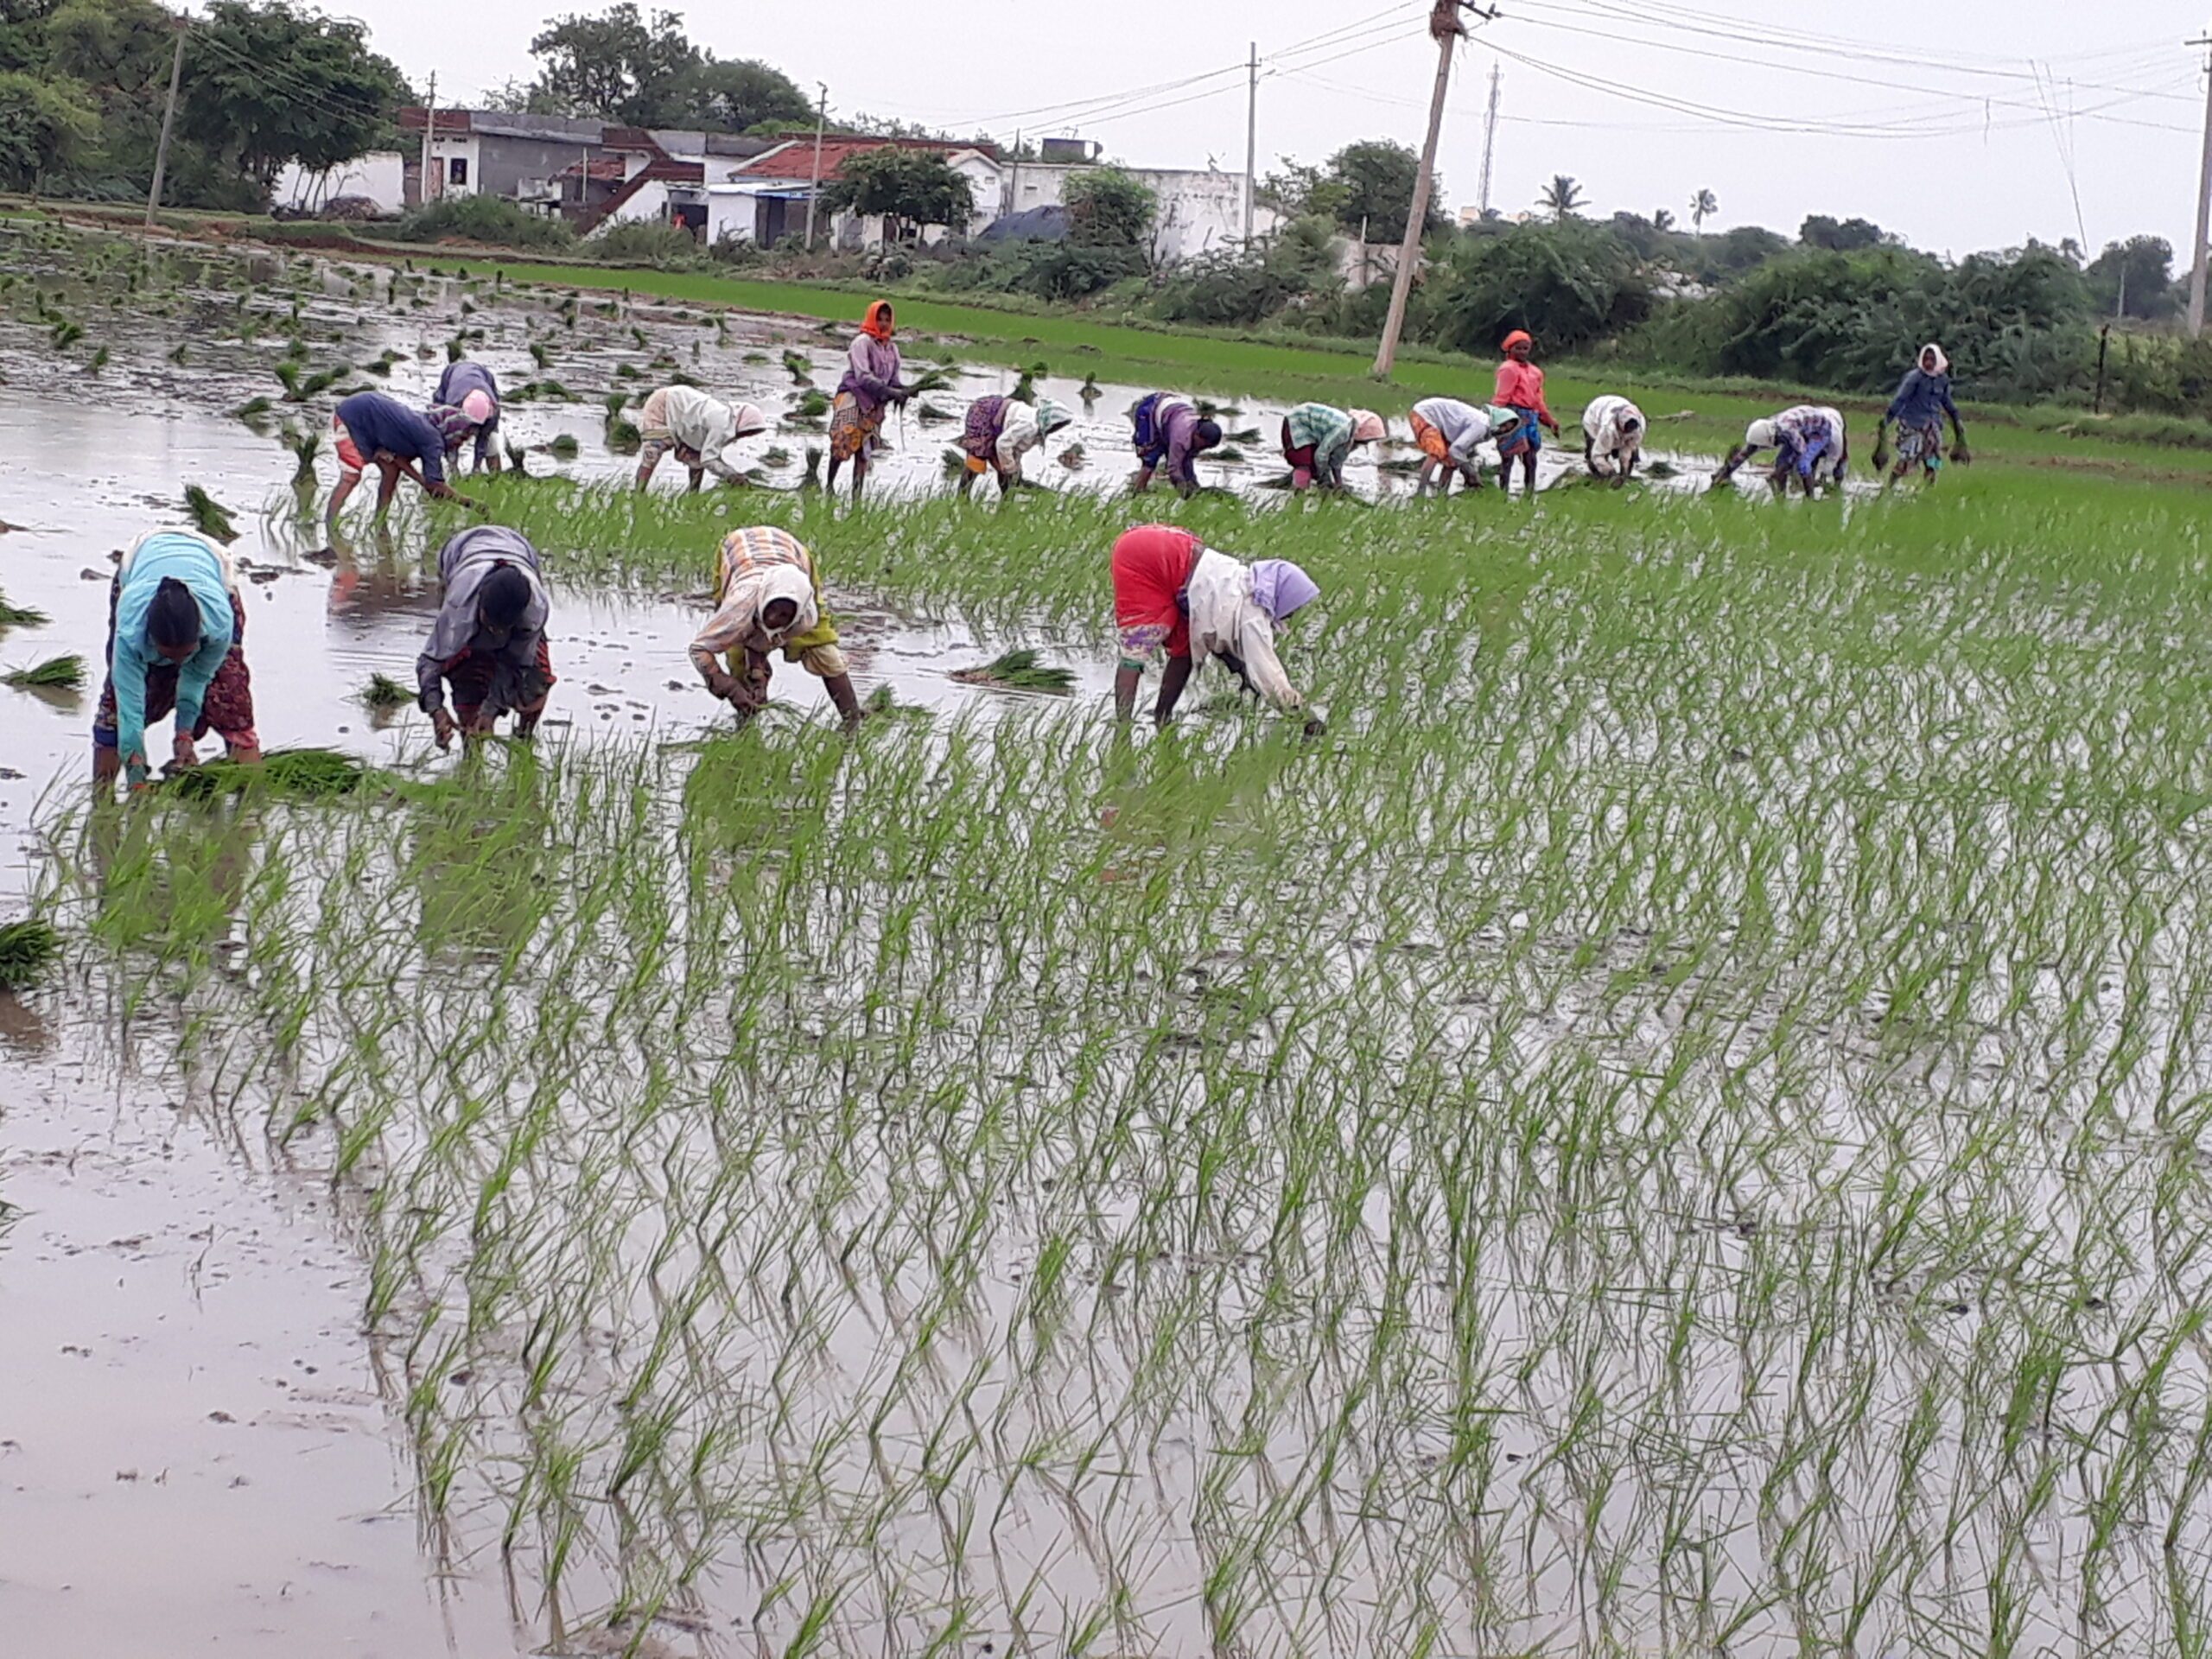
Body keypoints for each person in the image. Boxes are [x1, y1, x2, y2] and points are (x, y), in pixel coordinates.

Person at [1110, 524, 1322, 732]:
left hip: (1172, 549)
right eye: (1294, 605)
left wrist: (1240, 667)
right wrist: (1307, 719)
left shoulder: (1243, 582)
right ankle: (1122, 729)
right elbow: (1270, 677)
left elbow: (1216, 633)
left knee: (1185, 650)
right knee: (1138, 645)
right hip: (1143, 557)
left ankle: (1162, 716)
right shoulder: (1252, 616)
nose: (1292, 613)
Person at [92, 529, 260, 790]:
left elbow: (196, 678)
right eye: (169, 655)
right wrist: (137, 778)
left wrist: (184, 736)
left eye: (186, 654)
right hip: (142, 560)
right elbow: (130, 709)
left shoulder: (218, 623)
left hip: (210, 563)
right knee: (114, 710)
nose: (180, 664)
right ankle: (101, 802)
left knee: (230, 700)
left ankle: (250, 804)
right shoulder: (131, 632)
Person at [688, 526, 864, 728]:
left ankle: (852, 719)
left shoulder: (806, 617)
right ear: (764, 600)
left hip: (794, 554)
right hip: (739, 552)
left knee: (823, 650)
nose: (773, 618)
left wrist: (759, 674)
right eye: (772, 610)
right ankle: (747, 722)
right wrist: (724, 683)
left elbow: (765, 640)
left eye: (784, 615)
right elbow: (699, 649)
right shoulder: (739, 606)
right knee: (737, 656)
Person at [416, 524, 556, 747]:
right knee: (466, 670)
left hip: (521, 551)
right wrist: (436, 710)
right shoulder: (459, 606)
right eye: (491, 625)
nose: (496, 634)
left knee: (535, 679)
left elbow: (517, 663)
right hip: (460, 553)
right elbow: (430, 661)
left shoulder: (535, 611)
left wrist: (490, 710)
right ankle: (470, 743)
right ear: (480, 607)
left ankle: (524, 739)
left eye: (503, 629)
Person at [327, 390, 480, 525]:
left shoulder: (425, 428)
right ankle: (329, 524)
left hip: (369, 413)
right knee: (351, 475)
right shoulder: (432, 440)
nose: (460, 445)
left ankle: (380, 522)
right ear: (451, 430)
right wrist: (471, 504)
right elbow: (436, 485)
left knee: (391, 472)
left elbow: (400, 461)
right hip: (355, 415)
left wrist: (423, 482)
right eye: (460, 439)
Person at [827, 300, 909, 500]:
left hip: (875, 403)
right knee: (843, 442)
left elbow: (895, 380)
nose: (883, 323)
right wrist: (889, 391)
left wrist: (905, 391)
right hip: (854, 396)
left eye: (887, 320)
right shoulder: (862, 342)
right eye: (879, 319)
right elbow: (863, 376)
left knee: (864, 451)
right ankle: (829, 486)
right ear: (871, 318)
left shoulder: (892, 349)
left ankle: (857, 497)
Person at [634, 386, 772, 492]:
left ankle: (693, 496)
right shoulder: (722, 425)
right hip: (664, 404)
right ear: (743, 423)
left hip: (685, 416)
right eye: (748, 432)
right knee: (653, 451)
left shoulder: (726, 422)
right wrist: (731, 475)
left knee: (696, 457)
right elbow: (709, 459)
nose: (745, 436)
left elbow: (704, 456)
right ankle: (639, 493)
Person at [1874, 343, 1969, 485]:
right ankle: (1890, 486)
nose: (1928, 362)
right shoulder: (1914, 378)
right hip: (1913, 425)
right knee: (1907, 458)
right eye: (1926, 359)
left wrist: (1957, 421)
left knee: (1933, 460)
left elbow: (1947, 403)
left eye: (1932, 359)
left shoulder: (1942, 380)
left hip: (1933, 426)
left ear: (1938, 360)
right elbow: (1901, 399)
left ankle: (1929, 487)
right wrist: (1887, 419)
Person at [1713, 405, 1848, 495]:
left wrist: (1781, 472)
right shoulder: (1768, 427)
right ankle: (1780, 494)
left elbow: (1801, 452)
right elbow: (1747, 451)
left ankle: (1810, 498)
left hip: (1820, 432)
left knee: (1803, 463)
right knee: (1781, 462)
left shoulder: (1790, 431)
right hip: (1803, 428)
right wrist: (1725, 472)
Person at [957, 395, 1072, 495]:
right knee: (977, 459)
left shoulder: (1036, 431)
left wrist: (1015, 467)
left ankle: (1006, 505)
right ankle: (962, 497)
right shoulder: (1029, 425)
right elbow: (1003, 444)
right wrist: (1010, 467)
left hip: (1000, 427)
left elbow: (1015, 447)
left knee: (1006, 473)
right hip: (985, 415)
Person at [1493, 330, 1563, 496]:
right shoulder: (1508, 369)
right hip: (1512, 415)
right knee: (1508, 455)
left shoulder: (1535, 372)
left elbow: (1538, 400)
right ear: (1510, 349)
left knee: (1531, 457)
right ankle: (1504, 491)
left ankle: (1529, 491)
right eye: (1519, 348)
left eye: (1526, 348)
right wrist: (1495, 418)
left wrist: (1549, 421)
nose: (1523, 352)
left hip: (1530, 416)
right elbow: (1502, 396)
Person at [1408, 397, 1512, 493]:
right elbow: (1456, 450)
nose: (1503, 430)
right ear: (1498, 420)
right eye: (1503, 426)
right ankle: (1420, 492)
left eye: (1507, 430)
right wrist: (1469, 471)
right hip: (1425, 414)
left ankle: (1442, 494)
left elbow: (1459, 451)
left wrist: (1467, 468)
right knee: (1436, 452)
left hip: (1440, 422)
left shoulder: (1484, 429)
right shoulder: (1482, 425)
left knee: (1451, 462)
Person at [1128, 392, 1223, 497]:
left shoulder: (1195, 436)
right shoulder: (1181, 437)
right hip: (1150, 410)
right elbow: (1173, 469)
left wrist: (1193, 484)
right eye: (1203, 446)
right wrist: (1184, 491)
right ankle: (1137, 492)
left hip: (1170, 416)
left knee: (1181, 456)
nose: (1202, 449)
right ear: (1197, 435)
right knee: (1150, 457)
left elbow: (1187, 460)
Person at [1281, 404, 1386, 493]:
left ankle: (1302, 491)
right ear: (1363, 434)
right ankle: (1299, 496)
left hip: (1311, 429)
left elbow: (1336, 462)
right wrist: (1324, 477)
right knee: (1304, 462)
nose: (1366, 444)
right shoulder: (1342, 431)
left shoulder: (1348, 439)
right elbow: (1321, 454)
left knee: (1313, 466)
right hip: (1298, 421)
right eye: (1367, 440)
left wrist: (1338, 484)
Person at [435, 359, 503, 474]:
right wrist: (453, 464)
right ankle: (451, 471)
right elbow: (448, 436)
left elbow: (484, 437)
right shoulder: (452, 405)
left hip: (482, 374)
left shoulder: (493, 408)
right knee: (447, 434)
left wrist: (477, 467)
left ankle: (496, 475)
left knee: (490, 438)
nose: (471, 432)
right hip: (452, 374)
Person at [1581, 395, 1646, 483]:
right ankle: (1599, 481)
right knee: (1596, 459)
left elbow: (1627, 450)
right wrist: (1612, 474)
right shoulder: (1608, 429)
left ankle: (1625, 476)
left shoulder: (1639, 426)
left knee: (1631, 456)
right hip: (1594, 418)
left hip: (1613, 406)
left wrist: (1624, 473)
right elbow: (1597, 455)